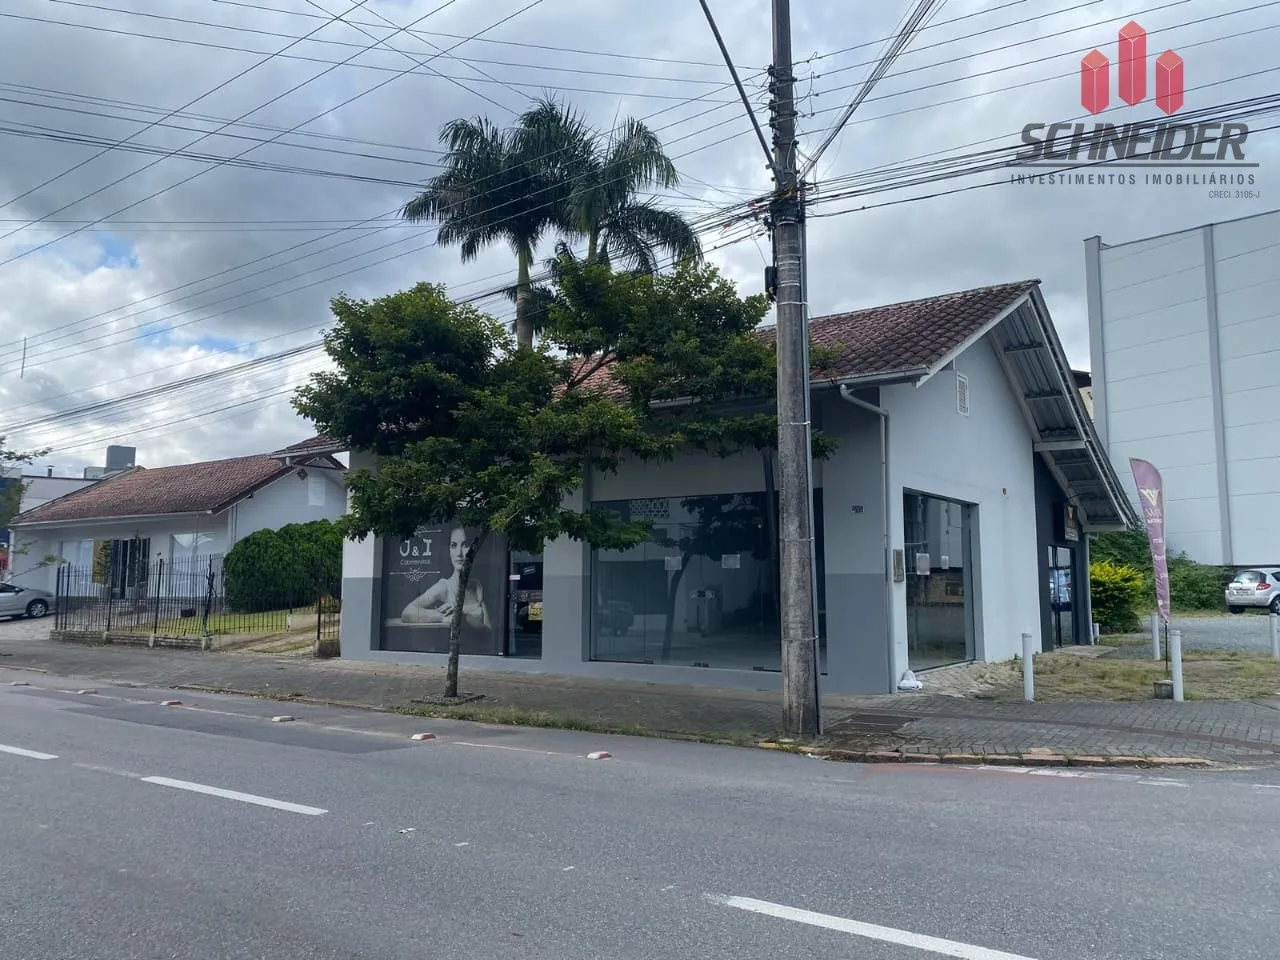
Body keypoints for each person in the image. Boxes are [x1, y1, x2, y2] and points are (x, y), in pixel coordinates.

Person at [400, 526, 490, 630]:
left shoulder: (477, 586)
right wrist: (444, 616)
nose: (459, 553)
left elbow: (489, 631)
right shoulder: (444, 587)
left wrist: (463, 615)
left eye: (465, 545)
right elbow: (407, 612)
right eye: (453, 545)